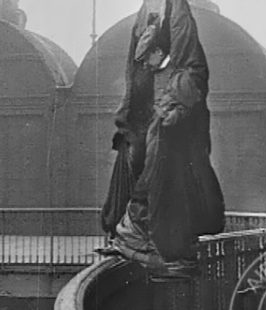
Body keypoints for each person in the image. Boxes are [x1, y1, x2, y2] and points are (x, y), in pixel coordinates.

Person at [97, 0, 225, 274]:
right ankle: (130, 236)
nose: (145, 64)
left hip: (171, 135)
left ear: (158, 51)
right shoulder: (156, 69)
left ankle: (151, 242)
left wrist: (168, 115)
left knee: (161, 177)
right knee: (135, 162)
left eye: (148, 59)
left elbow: (188, 89)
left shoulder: (182, 73)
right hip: (155, 128)